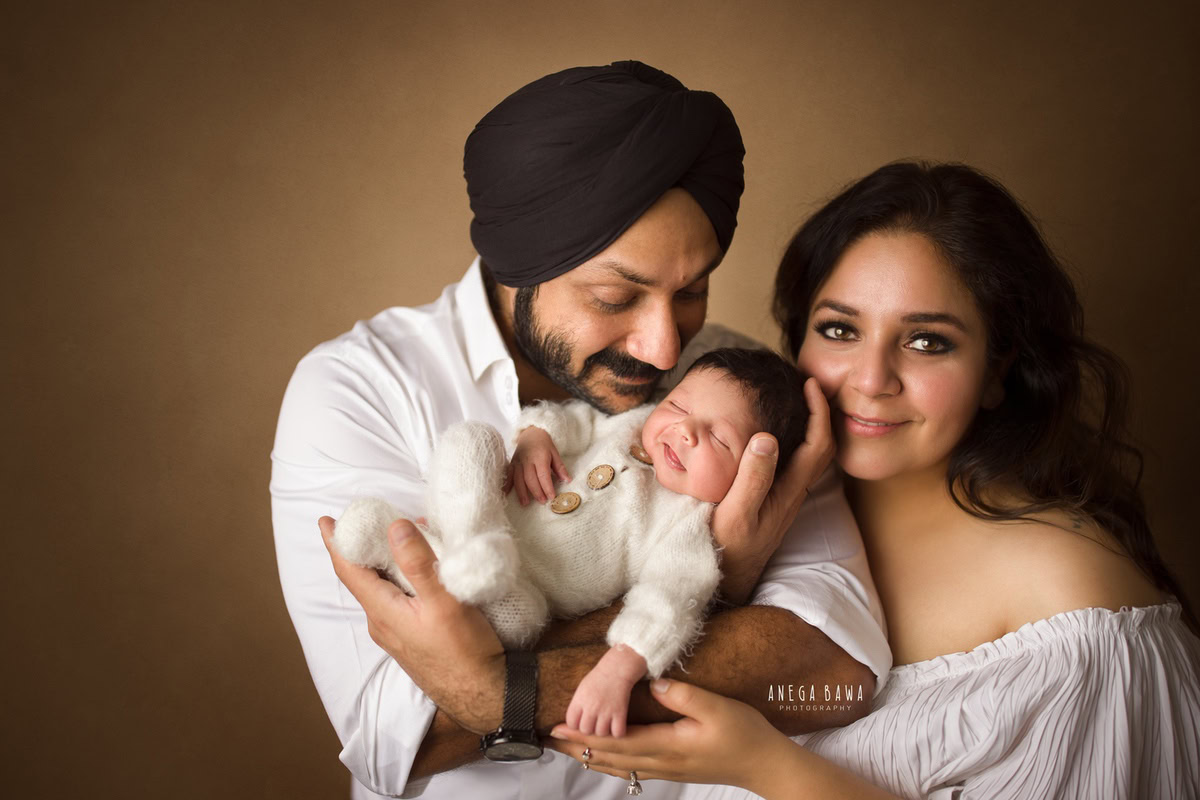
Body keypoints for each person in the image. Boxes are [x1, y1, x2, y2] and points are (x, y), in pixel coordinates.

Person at [272, 61, 892, 800]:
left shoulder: (744, 390)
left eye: (692, 290)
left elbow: (832, 674)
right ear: (515, 267)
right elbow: (399, 736)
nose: (666, 350)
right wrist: (730, 581)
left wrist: (497, 689)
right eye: (613, 295)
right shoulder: (359, 389)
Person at [542, 161, 1200, 799]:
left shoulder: (1077, 600)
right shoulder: (723, 482)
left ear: (999, 370)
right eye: (839, 329)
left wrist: (768, 768)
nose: (870, 378)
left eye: (927, 342)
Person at [331, 349, 810, 740]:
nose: (683, 429)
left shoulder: (689, 523)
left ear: (753, 476)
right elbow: (572, 419)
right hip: (489, 526)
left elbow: (671, 597)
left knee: (509, 608)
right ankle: (465, 541)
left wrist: (619, 668)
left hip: (520, 599)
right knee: (471, 439)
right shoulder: (631, 423)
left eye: (718, 438)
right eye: (680, 407)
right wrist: (538, 437)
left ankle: (421, 552)